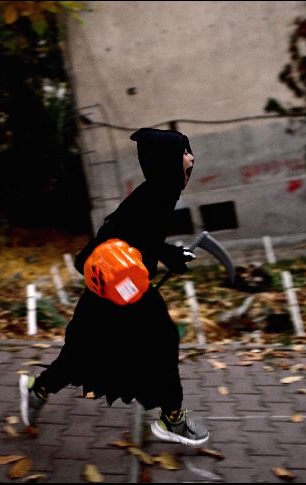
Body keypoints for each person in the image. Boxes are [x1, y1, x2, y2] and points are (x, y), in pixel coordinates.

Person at [19, 127, 209, 446]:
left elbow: (142, 239)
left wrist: (170, 253)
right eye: (184, 152)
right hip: (117, 292)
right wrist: (162, 257)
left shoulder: (160, 193)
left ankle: (36, 390)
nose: (191, 157)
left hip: (123, 291)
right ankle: (172, 419)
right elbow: (109, 242)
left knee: (84, 354)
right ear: (167, 162)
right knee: (158, 341)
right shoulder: (153, 197)